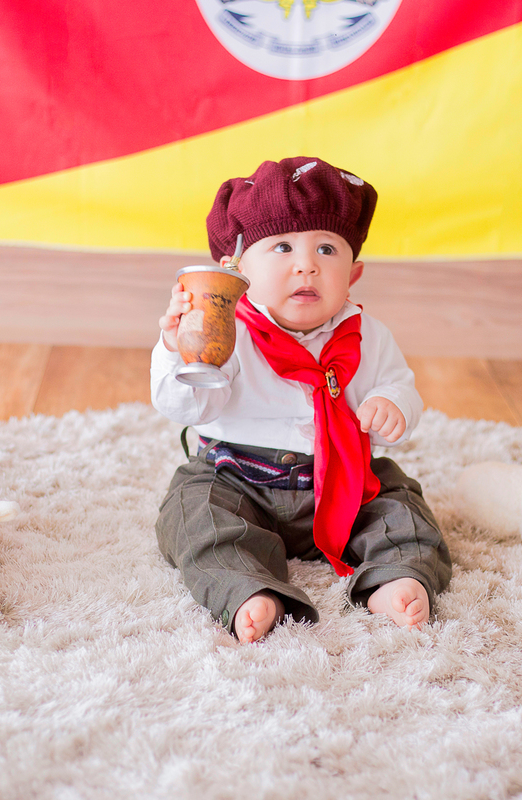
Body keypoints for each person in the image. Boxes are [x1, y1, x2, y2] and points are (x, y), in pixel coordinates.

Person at [151, 156, 451, 643]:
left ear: (352, 274)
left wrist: (393, 404)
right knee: (193, 513)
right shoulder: (227, 333)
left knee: (402, 506)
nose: (307, 264)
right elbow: (188, 408)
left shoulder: (367, 336)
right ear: (236, 270)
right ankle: (247, 588)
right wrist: (178, 350)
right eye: (284, 246)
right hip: (238, 477)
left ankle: (394, 576)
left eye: (327, 249)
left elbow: (399, 384)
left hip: (343, 479)